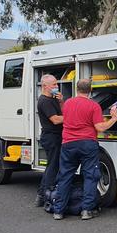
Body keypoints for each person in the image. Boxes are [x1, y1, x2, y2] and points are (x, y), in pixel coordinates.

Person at [52, 78, 117, 220]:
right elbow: (99, 127)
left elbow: (66, 115)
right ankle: (86, 210)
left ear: (77, 89)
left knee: (65, 177)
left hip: (68, 144)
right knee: (90, 176)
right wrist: (113, 118)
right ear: (90, 90)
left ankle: (58, 211)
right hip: (87, 144)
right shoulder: (93, 106)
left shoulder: (68, 103)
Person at [35, 74, 64, 207]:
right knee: (52, 167)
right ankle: (43, 195)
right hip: (51, 137)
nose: (56, 86)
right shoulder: (44, 101)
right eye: (53, 84)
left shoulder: (53, 99)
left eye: (56, 84)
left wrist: (61, 101)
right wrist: (74, 116)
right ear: (45, 86)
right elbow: (56, 119)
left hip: (55, 136)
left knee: (52, 166)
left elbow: (62, 113)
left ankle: (42, 194)